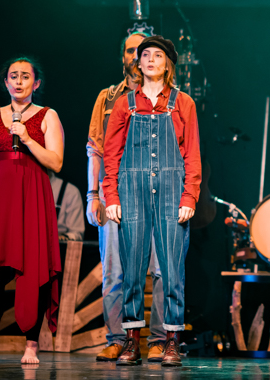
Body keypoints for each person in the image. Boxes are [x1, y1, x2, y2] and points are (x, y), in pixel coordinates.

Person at [103, 35, 201, 367]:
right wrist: (111, 195)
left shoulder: (183, 102)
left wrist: (190, 194)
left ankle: (171, 340)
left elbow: (192, 155)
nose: (150, 60)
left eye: (157, 55)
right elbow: (111, 154)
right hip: (132, 190)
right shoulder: (124, 104)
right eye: (145, 55)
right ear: (138, 63)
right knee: (132, 266)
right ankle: (131, 340)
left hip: (173, 191)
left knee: (172, 268)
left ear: (167, 64)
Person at [0, 57, 64, 364]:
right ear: (6, 82)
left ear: (36, 83)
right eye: (13, 76)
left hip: (31, 195)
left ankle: (31, 345)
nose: (18, 81)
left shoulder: (48, 116)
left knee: (32, 266)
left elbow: (56, 163)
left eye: (25, 77)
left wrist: (28, 138)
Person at [85, 25, 169, 362]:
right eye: (132, 51)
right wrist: (93, 195)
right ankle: (117, 338)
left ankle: (160, 340)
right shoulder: (107, 98)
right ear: (123, 58)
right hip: (115, 193)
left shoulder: (170, 97)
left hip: (157, 194)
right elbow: (95, 149)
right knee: (114, 272)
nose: (138, 58)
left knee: (162, 270)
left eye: (145, 51)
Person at [49, 170, 84, 241]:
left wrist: (62, 238)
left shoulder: (70, 191)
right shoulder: (23, 187)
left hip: (57, 247)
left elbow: (77, 233)